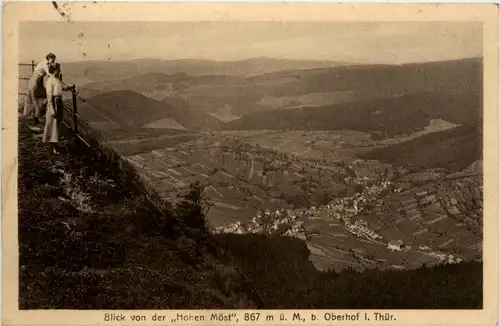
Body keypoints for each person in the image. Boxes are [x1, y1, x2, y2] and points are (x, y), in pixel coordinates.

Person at [42, 62, 71, 154]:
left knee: (57, 124)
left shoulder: (56, 79)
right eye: (58, 69)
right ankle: (53, 148)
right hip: (53, 103)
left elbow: (63, 87)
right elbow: (49, 96)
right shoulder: (50, 81)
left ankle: (55, 146)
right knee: (53, 125)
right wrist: (52, 109)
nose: (60, 71)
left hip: (58, 102)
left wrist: (70, 87)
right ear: (55, 70)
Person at [24, 53, 57, 124]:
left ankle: (38, 115)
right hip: (35, 82)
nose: (53, 61)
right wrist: (55, 78)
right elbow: (48, 73)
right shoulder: (44, 64)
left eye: (54, 59)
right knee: (36, 99)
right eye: (52, 59)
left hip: (38, 82)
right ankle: (36, 117)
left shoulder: (46, 63)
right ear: (49, 58)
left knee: (45, 97)